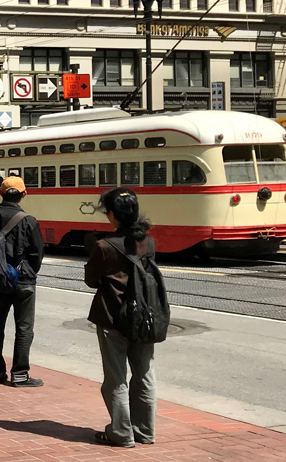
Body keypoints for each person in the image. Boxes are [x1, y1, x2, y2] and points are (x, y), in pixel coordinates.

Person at [85, 188, 158, 448]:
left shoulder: (104, 246)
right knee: (144, 375)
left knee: (116, 379)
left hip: (113, 319)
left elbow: (91, 280)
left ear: (113, 215)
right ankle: (145, 431)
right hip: (144, 319)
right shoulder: (148, 242)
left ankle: (121, 433)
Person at [0, 176, 44, 387]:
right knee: (24, 327)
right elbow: (37, 254)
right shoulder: (29, 220)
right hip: (23, 280)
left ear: (0, 193)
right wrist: (28, 272)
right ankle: (20, 374)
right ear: (24, 194)